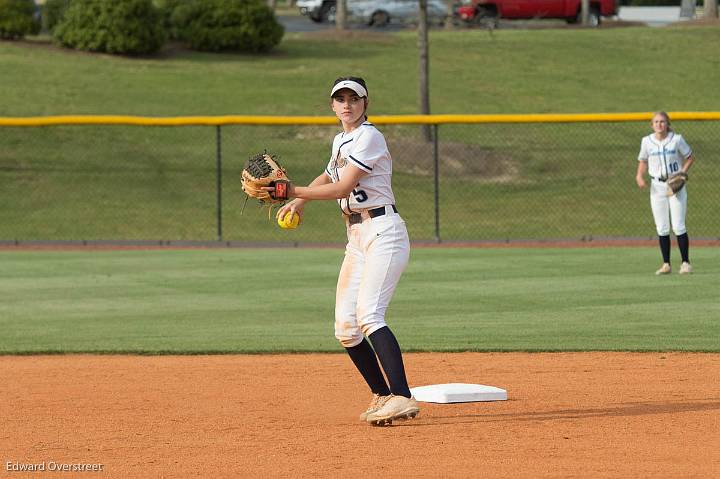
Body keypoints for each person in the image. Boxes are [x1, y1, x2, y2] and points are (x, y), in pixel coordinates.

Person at [272, 76, 419, 426]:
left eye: (355, 98)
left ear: (366, 104)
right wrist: (298, 201)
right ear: (332, 105)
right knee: (346, 328)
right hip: (356, 237)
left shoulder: (370, 136)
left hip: (383, 231)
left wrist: (292, 188)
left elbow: (345, 185)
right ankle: (383, 396)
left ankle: (401, 396)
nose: (348, 104)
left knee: (370, 314)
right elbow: (329, 175)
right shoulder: (342, 139)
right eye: (341, 99)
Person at [635, 111, 695, 275]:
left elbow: (690, 157)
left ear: (668, 123)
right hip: (657, 186)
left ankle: (685, 263)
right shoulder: (646, 141)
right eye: (656, 122)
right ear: (652, 124)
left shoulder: (676, 139)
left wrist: (682, 173)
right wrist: (639, 175)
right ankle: (666, 264)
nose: (659, 124)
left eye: (662, 121)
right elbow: (643, 161)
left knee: (678, 225)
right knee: (662, 227)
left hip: (675, 185)